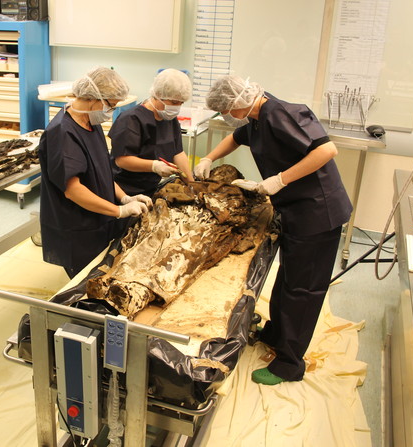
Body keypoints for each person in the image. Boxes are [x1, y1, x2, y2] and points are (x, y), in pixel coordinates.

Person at [198, 75, 352, 386]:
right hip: (296, 209)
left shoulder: (284, 113)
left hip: (317, 212)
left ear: (238, 102)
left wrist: (279, 179)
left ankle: (289, 364)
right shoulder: (256, 117)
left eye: (226, 109)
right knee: (286, 279)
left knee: (303, 289)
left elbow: (326, 151)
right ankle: (276, 334)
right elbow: (237, 138)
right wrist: (210, 157)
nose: (225, 116)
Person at [38, 67, 152, 278]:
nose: (111, 112)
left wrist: (124, 197)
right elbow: (73, 191)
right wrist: (119, 211)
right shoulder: (62, 133)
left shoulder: (91, 122)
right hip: (77, 227)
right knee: (86, 282)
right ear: (93, 98)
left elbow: (103, 172)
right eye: (110, 105)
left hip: (99, 218)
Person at [108, 68, 195, 197]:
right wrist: (154, 166)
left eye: (181, 103)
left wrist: (192, 184)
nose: (177, 107)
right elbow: (122, 160)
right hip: (125, 190)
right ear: (158, 95)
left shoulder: (169, 119)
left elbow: (178, 152)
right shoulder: (131, 119)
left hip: (151, 187)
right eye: (174, 102)